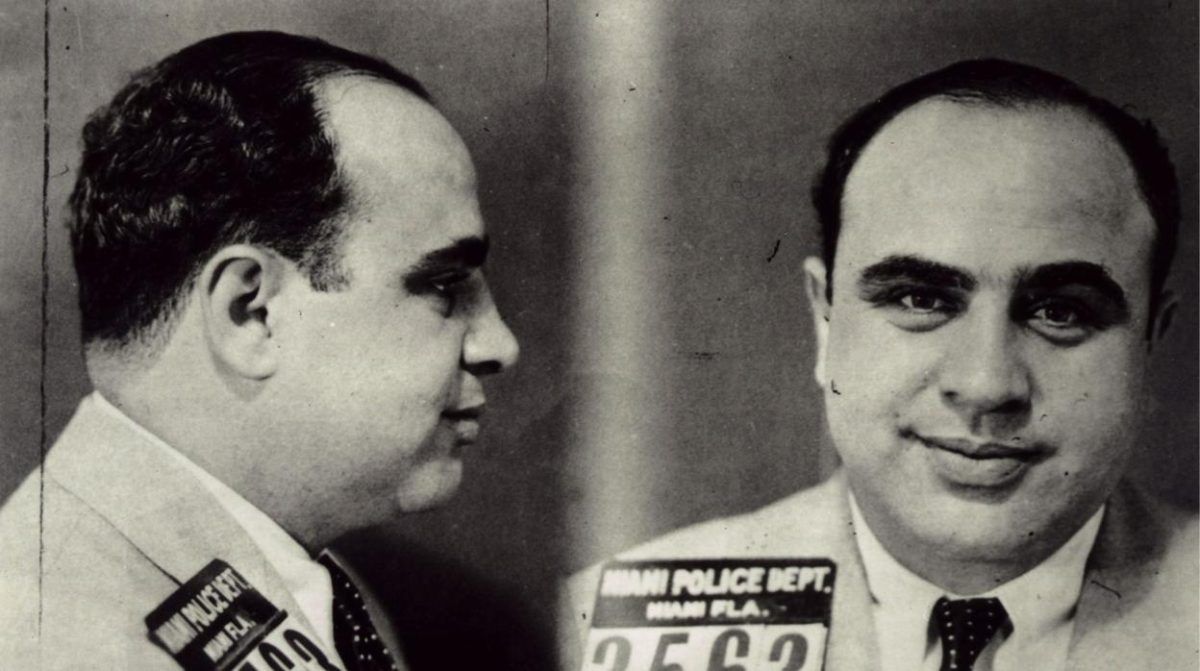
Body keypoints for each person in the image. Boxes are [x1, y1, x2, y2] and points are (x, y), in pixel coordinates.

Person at [562, 59, 1196, 670]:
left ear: (1151, 339)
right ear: (825, 319)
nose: (985, 385)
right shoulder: (594, 637)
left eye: (1060, 312)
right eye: (921, 300)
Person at [0, 31, 519, 670]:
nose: (499, 345)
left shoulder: (297, 579)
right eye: (443, 285)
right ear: (250, 313)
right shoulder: (60, 643)